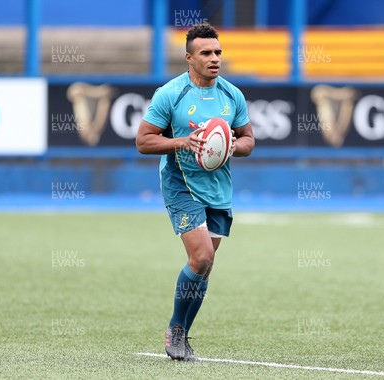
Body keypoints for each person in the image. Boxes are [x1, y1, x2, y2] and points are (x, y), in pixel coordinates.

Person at [136, 23, 255, 361]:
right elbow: (143, 141)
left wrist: (233, 145)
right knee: (201, 256)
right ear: (189, 58)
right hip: (180, 183)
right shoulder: (170, 94)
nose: (214, 58)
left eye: (217, 52)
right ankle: (175, 328)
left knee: (206, 264)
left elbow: (249, 140)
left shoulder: (232, 95)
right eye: (206, 53)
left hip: (218, 187)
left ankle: (184, 336)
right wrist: (180, 142)